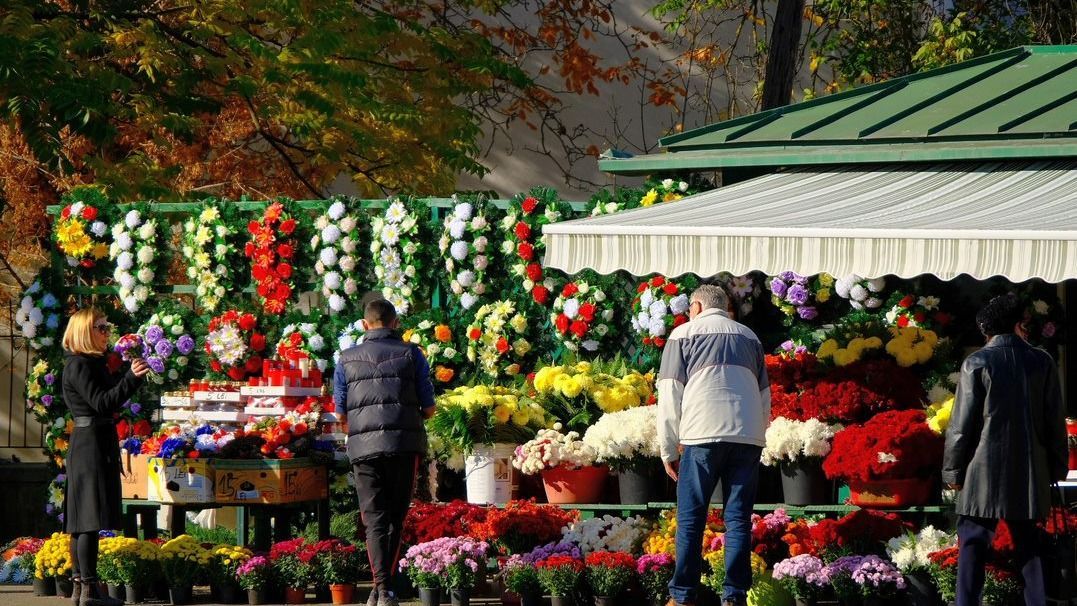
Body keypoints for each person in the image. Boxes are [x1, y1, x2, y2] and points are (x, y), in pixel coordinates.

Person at [943, 293, 1068, 606]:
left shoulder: (977, 362)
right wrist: (1057, 467)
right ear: (1017, 324)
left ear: (987, 330)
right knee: (1030, 548)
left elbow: (961, 427)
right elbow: (1055, 421)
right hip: (1029, 470)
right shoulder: (1042, 361)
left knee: (972, 545)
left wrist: (953, 471)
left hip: (980, 471)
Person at [657, 284, 770, 606]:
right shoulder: (750, 337)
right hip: (746, 437)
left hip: (701, 436)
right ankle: (734, 597)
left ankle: (683, 597)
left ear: (696, 306)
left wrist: (668, 449)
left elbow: (670, 395)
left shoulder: (683, 335)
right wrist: (757, 434)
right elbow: (764, 395)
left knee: (691, 519)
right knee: (738, 520)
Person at [333, 299, 436, 606]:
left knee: (373, 519)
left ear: (365, 325)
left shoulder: (346, 359)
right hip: (403, 445)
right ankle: (384, 588)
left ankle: (380, 588)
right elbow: (429, 408)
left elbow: (340, 413)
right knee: (395, 518)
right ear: (396, 323)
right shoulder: (412, 354)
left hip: (364, 449)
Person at [61, 308, 149, 606]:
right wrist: (131, 379)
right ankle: (88, 589)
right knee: (87, 519)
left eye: (106, 327)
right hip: (90, 444)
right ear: (84, 332)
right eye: (100, 328)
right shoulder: (79, 364)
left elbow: (110, 396)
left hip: (93, 441)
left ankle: (82, 589)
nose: (106, 332)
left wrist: (128, 375)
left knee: (83, 520)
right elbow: (102, 403)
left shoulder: (90, 363)